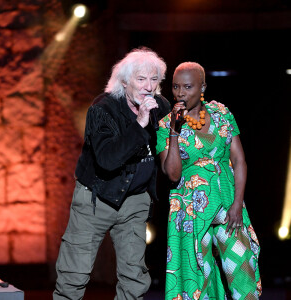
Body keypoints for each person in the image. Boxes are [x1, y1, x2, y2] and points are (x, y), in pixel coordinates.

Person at [53, 47, 171, 300]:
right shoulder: (102, 109)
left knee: (134, 278)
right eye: (141, 79)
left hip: (135, 201)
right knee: (73, 275)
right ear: (125, 81)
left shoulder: (161, 107)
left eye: (154, 80)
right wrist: (139, 123)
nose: (148, 86)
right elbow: (107, 160)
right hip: (96, 200)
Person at [156, 62, 262, 299]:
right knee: (199, 278)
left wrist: (237, 204)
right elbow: (172, 174)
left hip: (227, 204)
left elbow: (240, 161)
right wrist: (175, 130)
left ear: (202, 86)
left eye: (187, 86)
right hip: (190, 210)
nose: (180, 93)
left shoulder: (221, 114)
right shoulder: (165, 125)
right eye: (175, 87)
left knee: (242, 271)